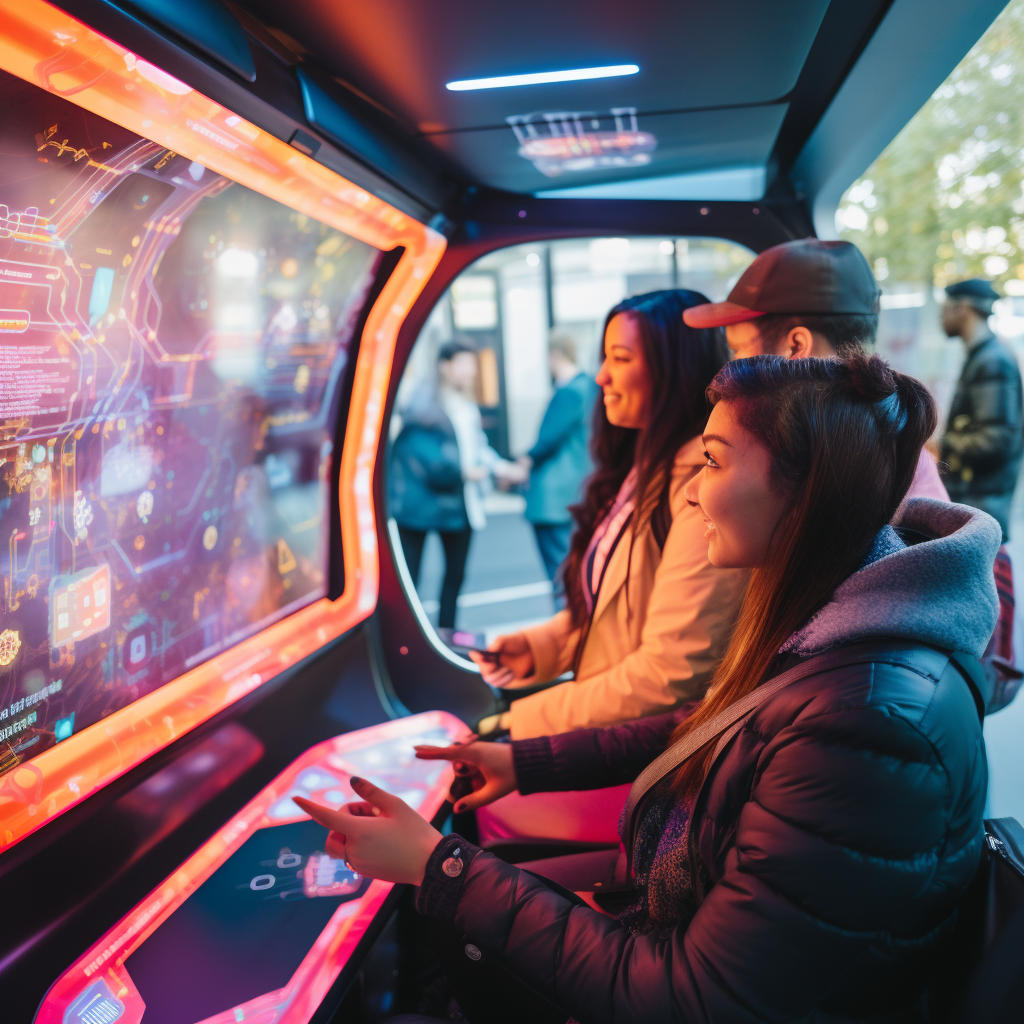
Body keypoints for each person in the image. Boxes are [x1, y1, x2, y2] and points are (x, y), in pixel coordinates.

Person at [298, 353, 998, 1024]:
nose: (693, 490)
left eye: (714, 463)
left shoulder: (872, 722)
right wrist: (523, 761)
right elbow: (709, 723)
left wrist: (436, 863)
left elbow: (695, 1001)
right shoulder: (835, 628)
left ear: (803, 487)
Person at [473, 290, 747, 745]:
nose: (601, 376)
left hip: (641, 745)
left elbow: (670, 672)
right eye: (605, 357)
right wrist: (540, 647)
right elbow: (616, 608)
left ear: (674, 371)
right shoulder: (644, 468)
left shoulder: (700, 486)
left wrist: (517, 723)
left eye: (619, 358)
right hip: (608, 720)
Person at [684, 237, 950, 500]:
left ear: (796, 347)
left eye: (737, 349)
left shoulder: (837, 469)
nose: (728, 367)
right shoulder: (884, 448)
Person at [389, 340, 521, 629]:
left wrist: (501, 467)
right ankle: (408, 635)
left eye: (472, 365)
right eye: (465, 364)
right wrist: (463, 472)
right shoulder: (419, 403)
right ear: (445, 365)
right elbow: (425, 458)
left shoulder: (465, 407)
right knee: (411, 578)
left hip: (459, 504)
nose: (471, 372)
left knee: (455, 576)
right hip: (420, 505)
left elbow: (478, 449)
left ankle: (447, 635)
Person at [939, 278, 1024, 542]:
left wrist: (942, 443)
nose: (940, 315)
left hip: (983, 523)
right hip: (978, 517)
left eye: (945, 306)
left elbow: (997, 440)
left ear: (962, 307)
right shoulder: (982, 357)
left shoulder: (992, 362)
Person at [518, 333, 598, 592]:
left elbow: (547, 440)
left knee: (561, 577)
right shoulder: (589, 387)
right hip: (576, 490)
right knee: (575, 571)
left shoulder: (570, 391)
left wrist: (523, 462)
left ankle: (566, 630)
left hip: (553, 497)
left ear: (555, 355)